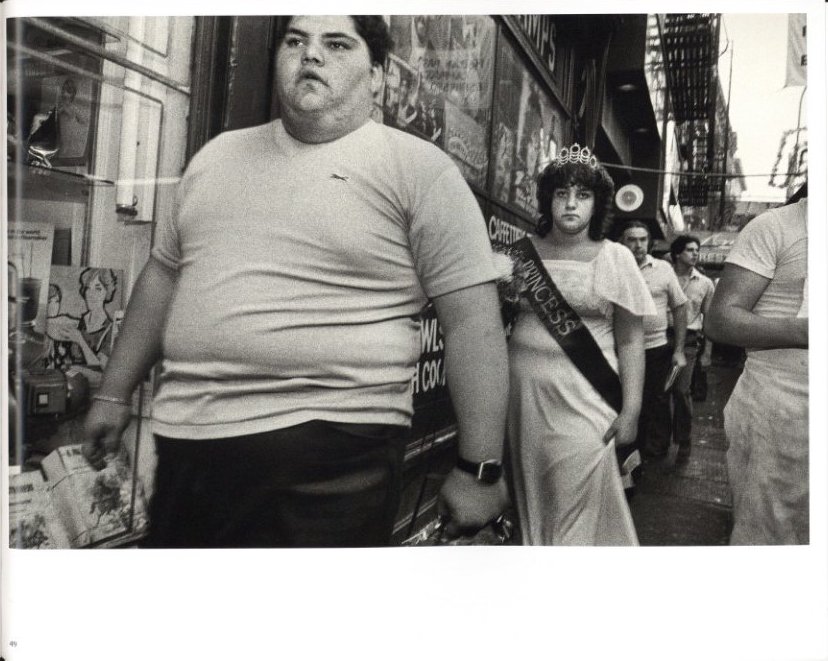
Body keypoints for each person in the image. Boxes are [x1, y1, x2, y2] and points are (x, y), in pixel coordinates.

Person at [82, 15, 509, 548]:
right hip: (188, 444)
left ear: (377, 76)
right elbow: (163, 276)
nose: (311, 54)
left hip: (335, 455)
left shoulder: (421, 171)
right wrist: (114, 393)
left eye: (337, 44)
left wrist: (480, 469)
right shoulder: (216, 156)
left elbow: (473, 323)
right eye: (295, 41)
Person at [507, 145, 655, 545]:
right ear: (547, 200)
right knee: (531, 502)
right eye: (561, 193)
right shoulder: (520, 253)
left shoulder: (616, 257)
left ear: (597, 202)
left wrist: (631, 410)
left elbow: (631, 339)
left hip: (586, 400)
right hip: (523, 399)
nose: (571, 203)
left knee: (572, 505)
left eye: (583, 194)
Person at [706, 194, 808, 545]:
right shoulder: (775, 226)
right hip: (781, 411)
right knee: (771, 536)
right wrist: (806, 332)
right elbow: (720, 320)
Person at [619, 221, 688, 460]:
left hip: (655, 348)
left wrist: (679, 350)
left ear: (649, 242)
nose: (638, 245)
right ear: (621, 242)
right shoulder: (613, 267)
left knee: (657, 399)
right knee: (625, 398)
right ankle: (629, 448)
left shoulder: (663, 269)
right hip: (620, 348)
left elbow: (680, 307)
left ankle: (655, 451)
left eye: (642, 239)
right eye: (631, 239)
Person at [668, 235, 715, 462]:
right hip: (660, 337)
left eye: (697, 250)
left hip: (688, 340)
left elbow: (709, 320)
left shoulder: (705, 283)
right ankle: (657, 441)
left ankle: (684, 441)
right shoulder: (665, 276)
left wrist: (707, 353)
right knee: (658, 392)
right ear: (677, 253)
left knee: (681, 390)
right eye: (689, 250)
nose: (695, 253)